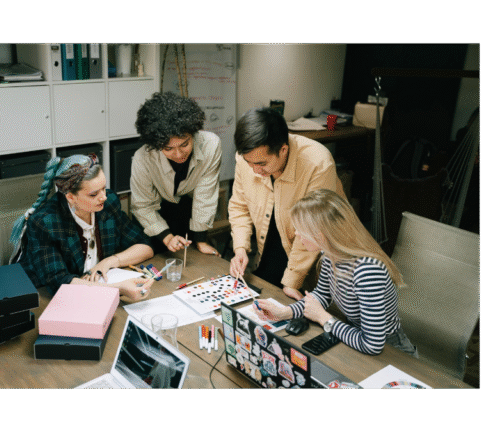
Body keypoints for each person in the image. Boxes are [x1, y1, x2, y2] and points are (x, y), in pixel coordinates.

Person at [253, 189, 418, 357]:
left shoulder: (367, 271)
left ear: (320, 236)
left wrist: (324, 318)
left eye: (300, 229)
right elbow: (322, 296)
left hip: (391, 352)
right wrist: (285, 312)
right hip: (352, 336)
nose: (296, 233)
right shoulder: (330, 255)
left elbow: (373, 345)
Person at [228, 108, 347, 300]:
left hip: (312, 260)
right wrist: (240, 248)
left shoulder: (318, 163)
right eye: (249, 162)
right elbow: (239, 206)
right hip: (268, 250)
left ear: (283, 150)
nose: (255, 170)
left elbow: (313, 229)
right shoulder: (248, 159)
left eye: (262, 164)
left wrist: (293, 280)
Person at [10, 154, 154, 302]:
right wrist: (118, 288)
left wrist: (108, 262)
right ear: (71, 197)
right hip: (46, 298)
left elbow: (145, 246)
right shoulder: (45, 222)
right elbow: (59, 282)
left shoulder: (108, 204)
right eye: (94, 194)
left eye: (104, 188)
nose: (103, 196)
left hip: (96, 291)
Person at [131, 92, 222, 256]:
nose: (179, 154)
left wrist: (201, 240)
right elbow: (143, 205)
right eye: (168, 149)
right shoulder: (143, 158)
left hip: (189, 209)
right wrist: (166, 237)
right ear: (157, 145)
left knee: (192, 258)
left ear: (193, 133)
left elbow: (205, 196)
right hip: (156, 213)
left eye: (184, 144)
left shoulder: (211, 145)